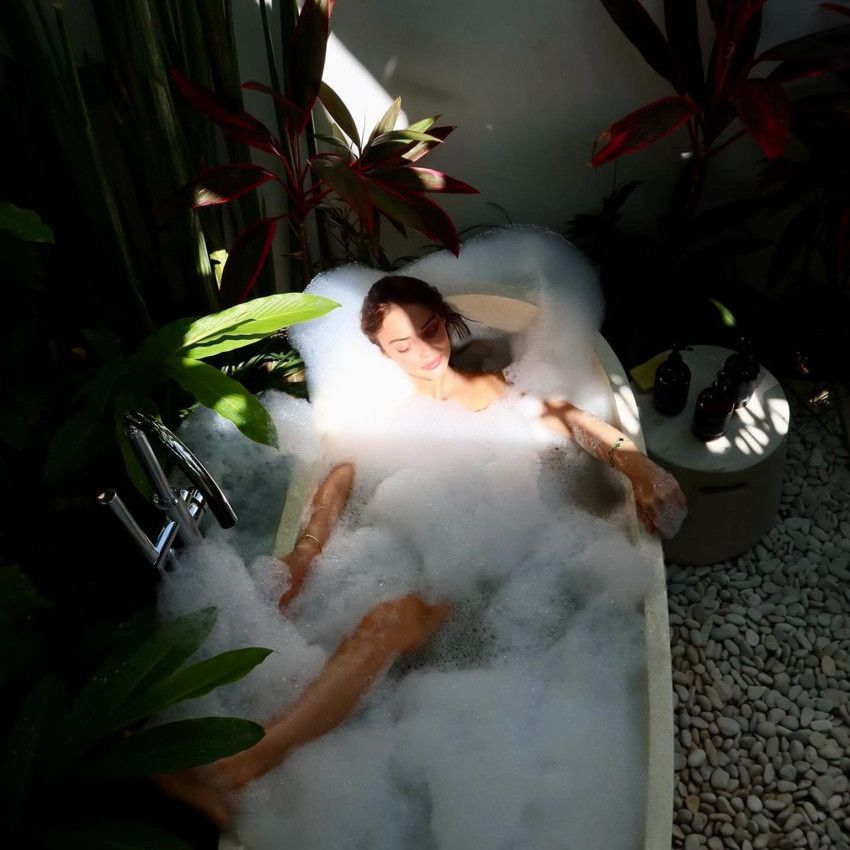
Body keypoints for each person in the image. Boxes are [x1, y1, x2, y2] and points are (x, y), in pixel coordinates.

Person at [154, 275, 687, 826]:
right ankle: (204, 733)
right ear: (382, 352)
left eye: (431, 330)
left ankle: (236, 769)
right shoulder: (386, 415)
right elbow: (339, 478)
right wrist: (306, 553)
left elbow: (576, 421)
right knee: (303, 618)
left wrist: (638, 466)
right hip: (417, 553)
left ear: (447, 320)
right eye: (402, 345)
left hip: (500, 566)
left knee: (387, 621)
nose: (425, 351)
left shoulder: (503, 391)